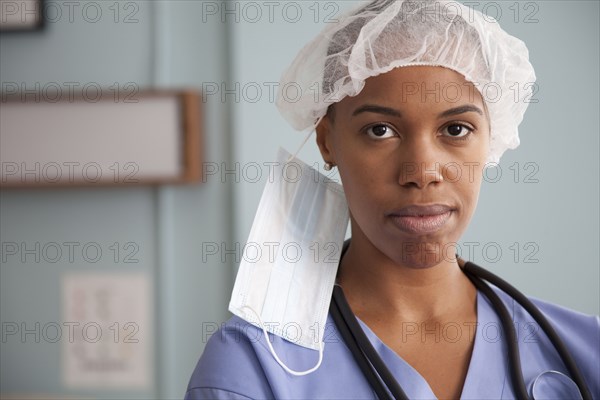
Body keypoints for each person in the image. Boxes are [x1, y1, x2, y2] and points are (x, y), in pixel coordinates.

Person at [185, 0, 600, 398]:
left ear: (492, 139)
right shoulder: (251, 367)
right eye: (380, 130)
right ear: (327, 142)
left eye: (456, 129)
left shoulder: (584, 350)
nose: (421, 171)